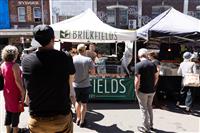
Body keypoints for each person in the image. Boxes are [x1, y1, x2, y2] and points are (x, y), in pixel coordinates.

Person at [21, 24, 75, 133]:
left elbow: (28, 87)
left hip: (37, 119)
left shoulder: (26, 61)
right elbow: (71, 81)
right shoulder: (65, 57)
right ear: (53, 39)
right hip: (61, 117)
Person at [0, 45, 25, 133]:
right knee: (16, 112)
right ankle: (15, 130)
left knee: (8, 110)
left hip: (7, 92)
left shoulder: (3, 64)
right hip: (15, 92)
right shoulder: (15, 66)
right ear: (15, 54)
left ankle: (7, 130)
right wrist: (23, 91)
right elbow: (18, 81)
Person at [134, 48, 159, 133]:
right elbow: (156, 77)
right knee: (149, 107)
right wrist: (153, 85)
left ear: (138, 55)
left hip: (142, 91)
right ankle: (151, 125)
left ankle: (146, 128)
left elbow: (137, 80)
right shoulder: (153, 64)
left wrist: (135, 89)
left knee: (144, 109)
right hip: (151, 90)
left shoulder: (138, 65)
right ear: (146, 55)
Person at [73, 43, 95, 127]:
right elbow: (93, 72)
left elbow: (70, 71)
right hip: (85, 85)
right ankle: (82, 121)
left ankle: (78, 118)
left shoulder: (73, 59)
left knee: (77, 102)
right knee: (84, 104)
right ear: (84, 50)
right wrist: (87, 72)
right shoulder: (88, 59)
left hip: (75, 85)